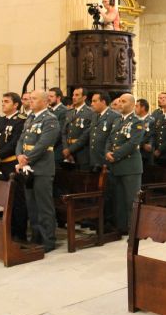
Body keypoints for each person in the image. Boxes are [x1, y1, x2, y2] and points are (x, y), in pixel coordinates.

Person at [16, 90, 61, 252]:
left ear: (44, 101)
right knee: (32, 206)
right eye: (30, 99)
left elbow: (43, 144)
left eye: (34, 99)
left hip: (42, 169)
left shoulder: (50, 120)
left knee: (44, 207)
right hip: (28, 168)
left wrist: (26, 158)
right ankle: (36, 237)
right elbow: (21, 139)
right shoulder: (30, 118)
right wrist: (19, 155)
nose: (31, 101)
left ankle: (48, 240)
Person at [0, 92, 28, 242]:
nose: (3, 104)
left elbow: (14, 144)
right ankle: (9, 230)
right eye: (2, 101)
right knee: (6, 200)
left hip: (12, 163)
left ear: (16, 105)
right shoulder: (2, 120)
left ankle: (20, 233)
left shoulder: (20, 120)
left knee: (17, 200)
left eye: (6, 101)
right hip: (1, 165)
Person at [105, 93, 145, 235]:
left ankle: (134, 229)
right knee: (119, 200)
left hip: (130, 166)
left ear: (133, 105)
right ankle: (122, 227)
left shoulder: (137, 122)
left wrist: (114, 155)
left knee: (131, 201)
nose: (120, 104)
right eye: (119, 101)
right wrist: (107, 152)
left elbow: (133, 143)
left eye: (124, 101)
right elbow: (110, 139)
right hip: (117, 166)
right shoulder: (117, 121)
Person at [89, 91, 120, 229]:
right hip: (95, 160)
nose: (92, 104)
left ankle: (108, 222)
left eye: (95, 101)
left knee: (108, 193)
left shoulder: (114, 116)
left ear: (103, 102)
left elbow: (112, 139)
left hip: (106, 161)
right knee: (97, 192)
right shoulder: (95, 115)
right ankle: (98, 219)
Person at [62, 87, 93, 170]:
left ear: (84, 97)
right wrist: (65, 148)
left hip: (82, 152)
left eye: (77, 95)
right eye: (73, 95)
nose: (73, 97)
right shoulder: (69, 112)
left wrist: (70, 150)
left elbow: (85, 135)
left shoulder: (90, 112)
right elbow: (64, 132)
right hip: (67, 152)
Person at [48, 87, 68, 165]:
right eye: (48, 96)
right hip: (47, 149)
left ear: (58, 97)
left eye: (51, 96)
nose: (49, 98)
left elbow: (59, 132)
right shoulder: (48, 110)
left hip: (56, 149)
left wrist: (47, 145)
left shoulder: (64, 111)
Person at [135, 98, 154, 167]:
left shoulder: (150, 121)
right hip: (136, 152)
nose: (135, 108)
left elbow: (147, 136)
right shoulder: (135, 120)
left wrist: (134, 144)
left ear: (143, 108)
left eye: (137, 106)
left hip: (144, 154)